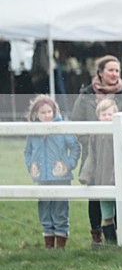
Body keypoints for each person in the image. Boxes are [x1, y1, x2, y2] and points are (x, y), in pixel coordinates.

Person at [71, 55, 122, 247]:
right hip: (94, 153)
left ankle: (118, 234)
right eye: (111, 70)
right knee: (95, 194)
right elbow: (77, 122)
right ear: (100, 73)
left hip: (117, 153)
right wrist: (90, 141)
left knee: (118, 192)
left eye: (117, 70)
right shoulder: (86, 95)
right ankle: (96, 235)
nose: (114, 74)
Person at [24, 95, 81, 249]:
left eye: (50, 111)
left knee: (60, 207)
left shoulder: (62, 128)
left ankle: (61, 243)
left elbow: (75, 147)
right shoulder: (33, 131)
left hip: (60, 177)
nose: (47, 115)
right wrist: (31, 166)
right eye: (43, 113)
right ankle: (48, 242)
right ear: (36, 114)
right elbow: (27, 151)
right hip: (42, 176)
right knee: (45, 206)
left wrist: (68, 165)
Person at [78, 99, 120, 245]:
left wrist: (117, 175)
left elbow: (120, 157)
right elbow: (92, 157)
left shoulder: (118, 134)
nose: (107, 117)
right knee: (107, 212)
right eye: (104, 114)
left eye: (110, 114)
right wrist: (86, 176)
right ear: (98, 116)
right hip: (101, 179)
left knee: (119, 210)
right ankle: (110, 241)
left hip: (116, 178)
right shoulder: (94, 134)